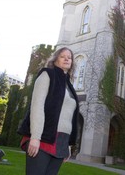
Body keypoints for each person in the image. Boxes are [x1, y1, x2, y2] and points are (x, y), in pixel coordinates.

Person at [18, 47, 80, 175]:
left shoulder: (68, 85)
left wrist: (67, 145)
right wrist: (35, 137)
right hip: (44, 137)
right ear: (55, 59)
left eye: (69, 57)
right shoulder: (47, 74)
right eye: (63, 56)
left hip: (61, 141)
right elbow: (37, 106)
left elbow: (69, 117)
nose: (67, 59)